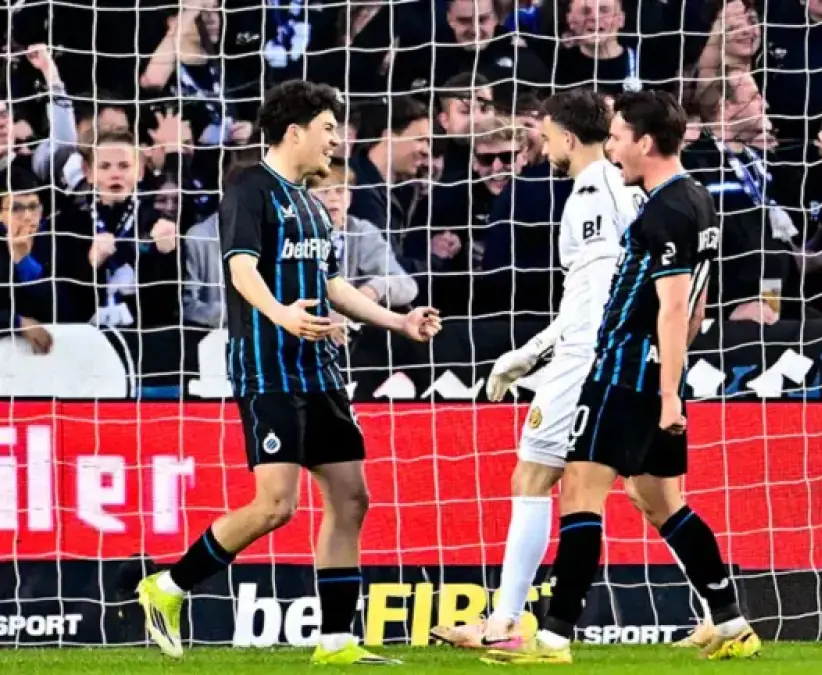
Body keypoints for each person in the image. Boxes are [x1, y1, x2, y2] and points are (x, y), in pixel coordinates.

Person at [135, 80, 443, 665]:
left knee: (351, 498)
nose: (336, 140)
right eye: (328, 129)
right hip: (268, 370)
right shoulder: (250, 188)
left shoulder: (311, 203)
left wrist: (398, 322)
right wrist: (281, 314)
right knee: (276, 505)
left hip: (319, 372)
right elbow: (241, 269)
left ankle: (336, 642)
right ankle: (168, 586)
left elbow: (332, 284)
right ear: (295, 131)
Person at [481, 90, 760, 665]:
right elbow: (698, 303)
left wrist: (667, 394)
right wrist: (671, 378)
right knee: (659, 500)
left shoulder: (664, 212)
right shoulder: (696, 199)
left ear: (645, 143)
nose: (611, 149)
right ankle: (731, 622)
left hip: (622, 371)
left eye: (618, 139)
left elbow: (674, 307)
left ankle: (552, 639)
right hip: (653, 373)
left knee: (580, 495)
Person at [428, 87, 641, 650]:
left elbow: (598, 295)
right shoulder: (618, 188)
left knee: (534, 477)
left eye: (546, 139)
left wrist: (547, 353)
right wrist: (534, 350)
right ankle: (726, 614)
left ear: (568, 137)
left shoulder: (592, 192)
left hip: (585, 357)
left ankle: (506, 623)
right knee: (651, 494)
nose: (544, 150)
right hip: (608, 352)